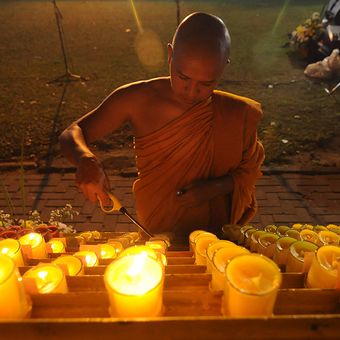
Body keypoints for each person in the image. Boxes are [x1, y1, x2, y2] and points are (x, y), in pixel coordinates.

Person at [59, 12, 265, 243]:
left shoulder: (235, 114)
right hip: (155, 229)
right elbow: (72, 132)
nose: (192, 91)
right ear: (170, 55)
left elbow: (249, 171)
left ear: (223, 68)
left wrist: (215, 187)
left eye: (206, 84)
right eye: (183, 77)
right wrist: (86, 160)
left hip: (218, 238)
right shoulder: (138, 99)